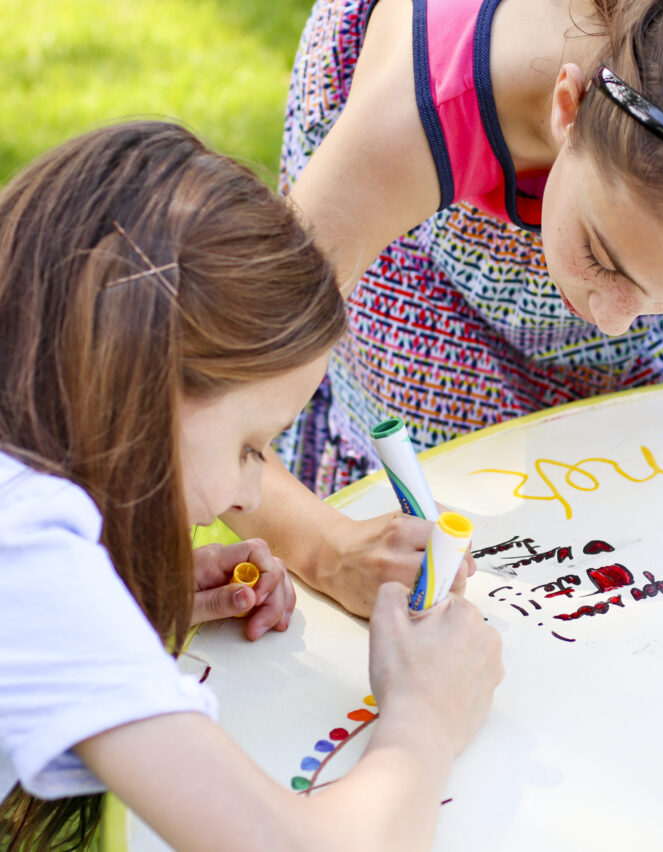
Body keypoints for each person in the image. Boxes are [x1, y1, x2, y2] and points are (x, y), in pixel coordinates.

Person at [225, 0, 663, 617]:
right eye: (605, 258)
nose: (616, 319)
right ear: (568, 107)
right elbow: (216, 408)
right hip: (430, 195)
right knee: (442, 451)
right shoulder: (412, 121)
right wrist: (328, 547)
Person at [0, 122, 503, 852]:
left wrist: (134, 594)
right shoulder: (28, 564)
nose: (245, 497)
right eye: (248, 448)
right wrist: (424, 715)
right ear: (135, 381)